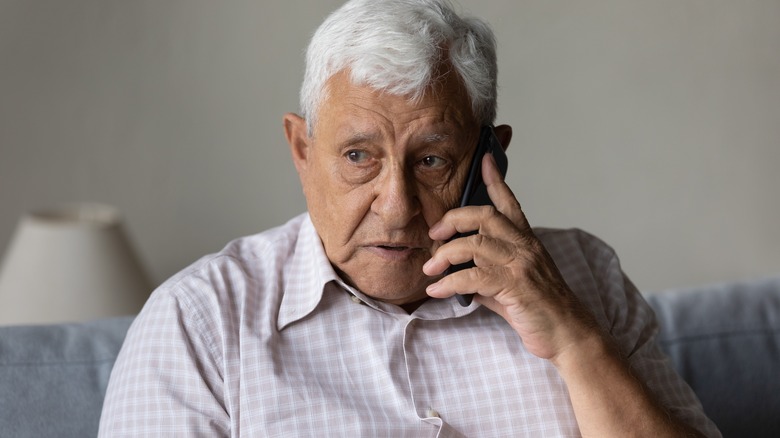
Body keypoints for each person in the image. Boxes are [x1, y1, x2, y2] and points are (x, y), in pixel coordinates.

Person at [99, 0, 720, 436]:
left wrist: (577, 344)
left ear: (491, 156)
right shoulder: (200, 322)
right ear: (302, 151)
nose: (396, 207)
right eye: (358, 157)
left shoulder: (587, 277)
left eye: (431, 160)